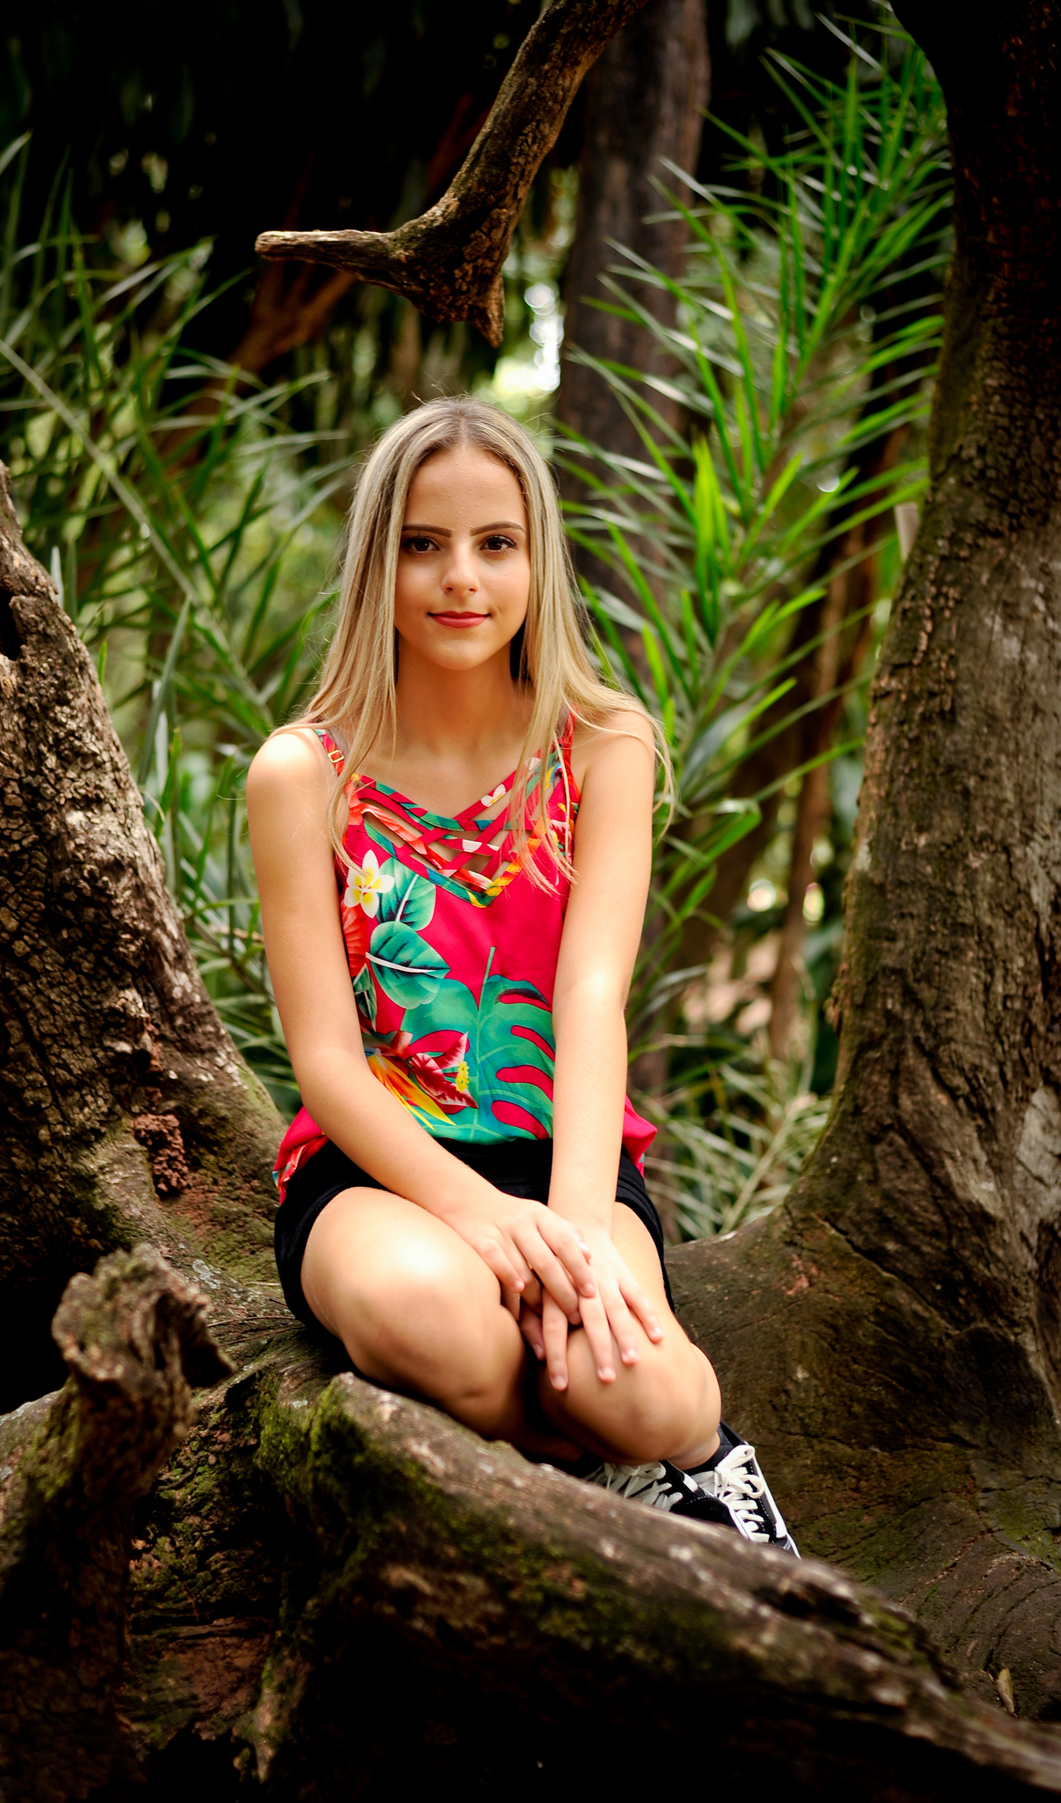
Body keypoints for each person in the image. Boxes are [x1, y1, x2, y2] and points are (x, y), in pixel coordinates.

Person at [247, 396, 796, 1552]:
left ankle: (697, 1457)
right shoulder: (304, 775)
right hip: (374, 1173)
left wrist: (575, 1235)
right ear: (376, 563)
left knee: (638, 1388)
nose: (462, 577)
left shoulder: (603, 747)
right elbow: (324, 1063)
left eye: (497, 543)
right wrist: (482, 1219)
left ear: (539, 561)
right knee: (432, 1317)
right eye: (423, 543)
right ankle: (612, 1484)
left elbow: (591, 997)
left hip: (568, 1157)